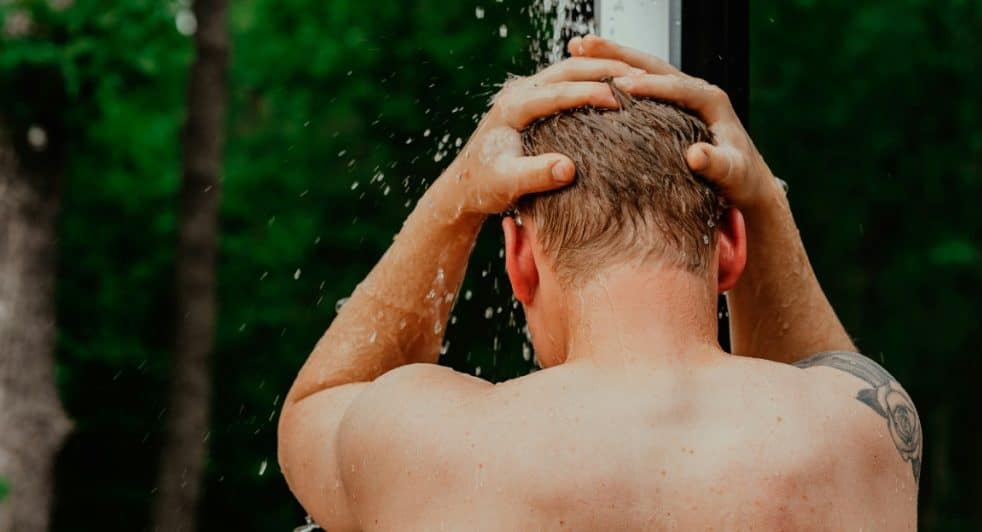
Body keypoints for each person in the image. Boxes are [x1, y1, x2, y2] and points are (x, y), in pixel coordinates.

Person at [277, 35, 921, 531]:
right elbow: (816, 376)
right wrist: (764, 200)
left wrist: (456, 198)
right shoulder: (860, 432)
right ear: (731, 245)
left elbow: (316, 405)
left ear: (520, 259)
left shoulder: (434, 447)